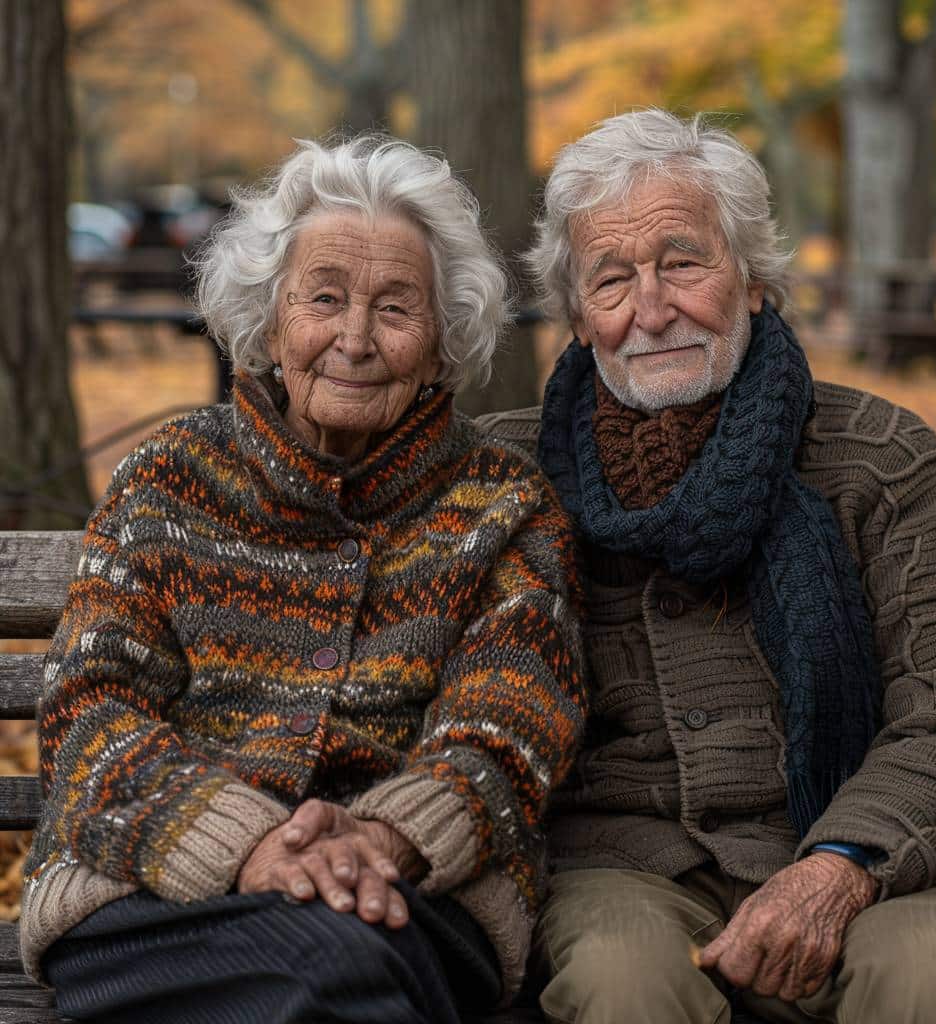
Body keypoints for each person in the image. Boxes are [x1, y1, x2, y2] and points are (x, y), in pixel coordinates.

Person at [22, 133, 587, 1024]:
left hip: (410, 898)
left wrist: (381, 837)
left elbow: (508, 725)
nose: (354, 340)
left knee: (338, 969)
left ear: (444, 341)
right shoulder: (168, 480)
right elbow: (89, 709)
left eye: (396, 309)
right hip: (154, 888)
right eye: (324, 298)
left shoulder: (502, 506)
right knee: (332, 978)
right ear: (270, 319)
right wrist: (244, 841)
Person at [479, 109, 936, 1024]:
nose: (651, 309)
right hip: (623, 867)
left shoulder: (877, 455)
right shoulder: (509, 477)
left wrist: (838, 867)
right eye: (612, 280)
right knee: (623, 985)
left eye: (683, 263)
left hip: (868, 856)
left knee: (926, 977)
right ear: (578, 318)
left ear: (754, 280)